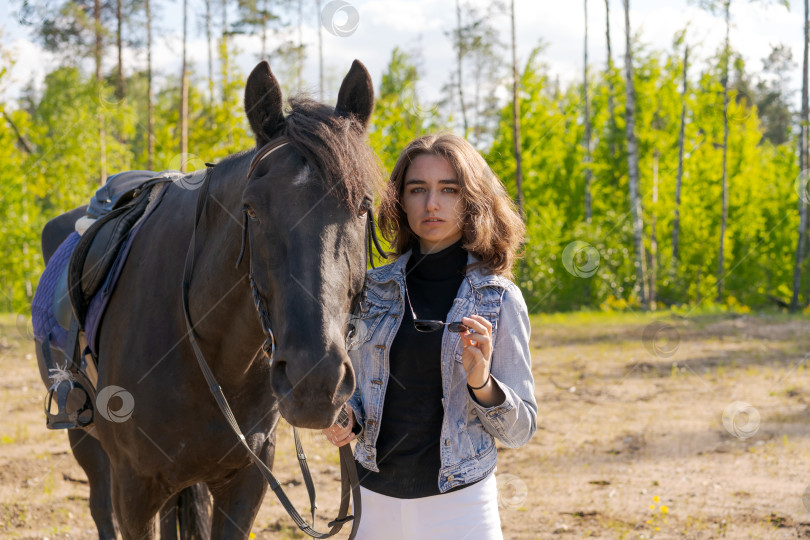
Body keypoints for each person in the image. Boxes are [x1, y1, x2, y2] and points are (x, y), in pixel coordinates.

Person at [322, 133, 537, 540]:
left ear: (471, 199)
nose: (431, 204)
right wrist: (344, 417)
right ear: (400, 200)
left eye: (448, 190)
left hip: (461, 508)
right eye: (417, 189)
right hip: (373, 503)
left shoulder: (498, 298)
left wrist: (483, 384)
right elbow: (355, 393)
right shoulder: (369, 291)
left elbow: (520, 430)